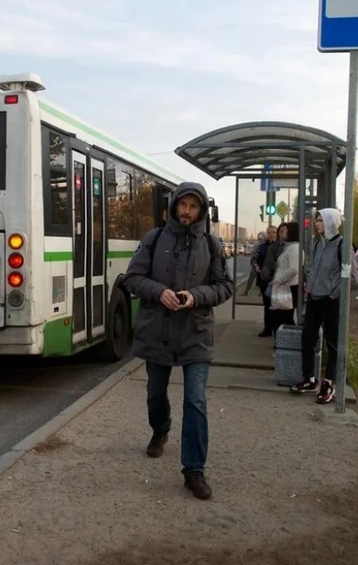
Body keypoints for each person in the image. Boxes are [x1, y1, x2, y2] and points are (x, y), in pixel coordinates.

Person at [122, 181, 235, 500]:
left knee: (196, 400)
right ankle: (161, 428)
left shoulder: (212, 245)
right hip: (157, 331)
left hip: (195, 334)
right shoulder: (154, 238)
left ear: (201, 211)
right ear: (174, 207)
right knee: (155, 393)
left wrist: (195, 296)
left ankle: (194, 470)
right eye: (182, 205)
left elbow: (225, 286)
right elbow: (131, 279)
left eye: (193, 206)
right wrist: (159, 292)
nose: (187, 211)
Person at [290, 208, 343, 405]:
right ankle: (310, 380)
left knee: (332, 344)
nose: (317, 224)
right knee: (307, 338)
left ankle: (328, 383)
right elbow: (311, 267)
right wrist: (308, 287)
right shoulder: (316, 243)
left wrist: (333, 294)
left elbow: (351, 276)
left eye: (320, 220)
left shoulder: (341, 245)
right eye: (317, 220)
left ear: (330, 222)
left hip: (330, 301)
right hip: (313, 298)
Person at [270, 221, 301, 330]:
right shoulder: (290, 247)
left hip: (289, 287)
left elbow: (293, 269)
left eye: (285, 230)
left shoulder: (294, 248)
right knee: (282, 316)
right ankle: (284, 340)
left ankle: (288, 340)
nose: (282, 232)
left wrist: (279, 280)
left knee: (286, 317)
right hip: (286, 286)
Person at [253, 225, 276, 337]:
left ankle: (276, 328)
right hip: (265, 280)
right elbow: (254, 259)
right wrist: (256, 267)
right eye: (269, 232)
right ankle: (267, 328)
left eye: (274, 232)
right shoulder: (261, 247)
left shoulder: (280, 246)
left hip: (277, 281)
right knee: (267, 305)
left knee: (276, 305)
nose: (272, 234)